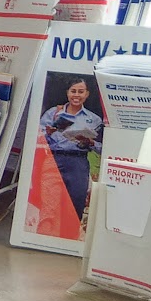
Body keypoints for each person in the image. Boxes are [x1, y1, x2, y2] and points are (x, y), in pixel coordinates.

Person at [40, 79, 103, 224]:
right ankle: (45, 234)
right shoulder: (53, 113)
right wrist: (48, 133)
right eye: (73, 91)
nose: (76, 95)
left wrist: (90, 142)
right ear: (67, 93)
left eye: (81, 92)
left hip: (78, 163)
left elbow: (102, 148)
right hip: (54, 160)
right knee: (48, 205)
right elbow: (37, 138)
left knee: (75, 204)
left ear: (87, 94)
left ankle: (70, 235)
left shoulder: (94, 119)